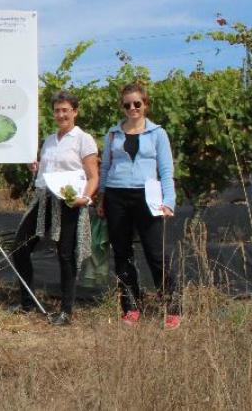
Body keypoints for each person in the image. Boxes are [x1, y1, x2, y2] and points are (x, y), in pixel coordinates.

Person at [98, 82, 181, 330]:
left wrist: (169, 201)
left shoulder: (158, 133)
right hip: (116, 195)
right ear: (122, 107)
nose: (132, 108)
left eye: (137, 103)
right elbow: (105, 168)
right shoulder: (113, 134)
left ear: (145, 104)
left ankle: (173, 308)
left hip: (148, 197)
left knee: (156, 253)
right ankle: (131, 307)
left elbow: (166, 170)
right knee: (122, 254)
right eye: (127, 104)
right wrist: (102, 197)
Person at [10, 91, 98, 326]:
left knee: (66, 255)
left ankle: (66, 311)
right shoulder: (49, 140)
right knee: (19, 248)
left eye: (65, 110)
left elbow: (93, 176)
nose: (61, 114)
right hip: (45, 199)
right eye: (57, 110)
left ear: (75, 112)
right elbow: (46, 170)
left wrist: (85, 199)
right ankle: (27, 303)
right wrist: (37, 166)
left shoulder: (83, 139)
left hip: (69, 202)